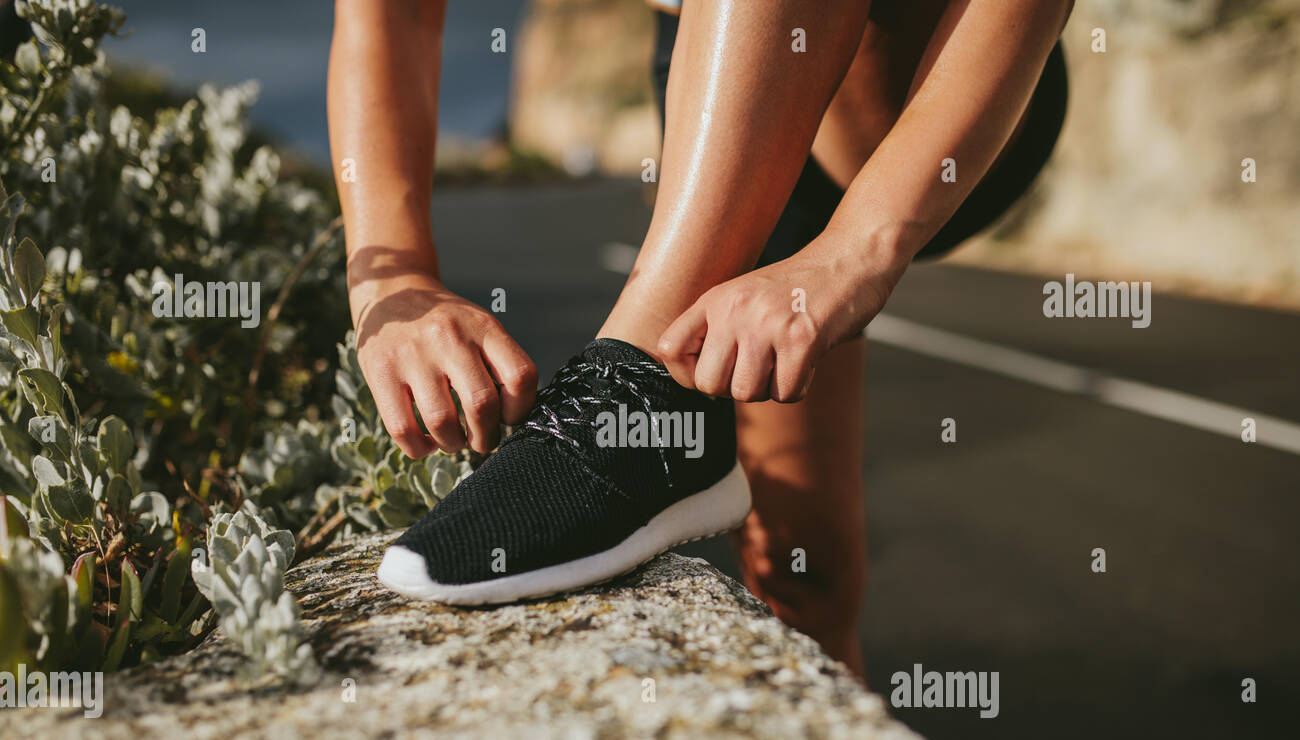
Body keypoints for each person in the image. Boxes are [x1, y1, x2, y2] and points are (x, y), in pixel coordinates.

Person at [328, 0, 1072, 677]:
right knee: (801, 566)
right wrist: (392, 280)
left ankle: (634, 378)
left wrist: (859, 244)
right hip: (723, 69)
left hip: (935, 61)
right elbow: (391, 15)